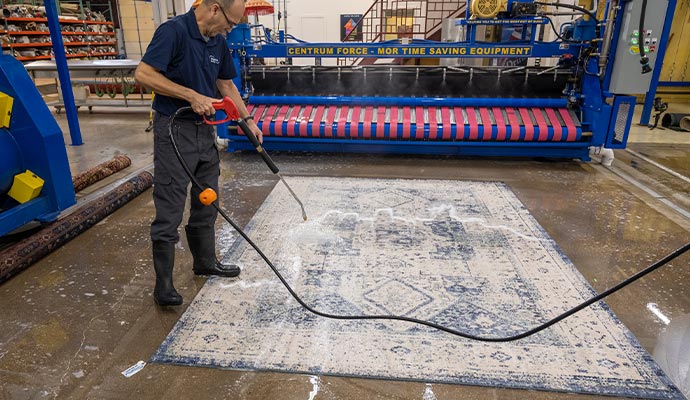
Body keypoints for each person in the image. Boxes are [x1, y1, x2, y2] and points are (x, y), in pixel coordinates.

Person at [134, 0, 263, 306]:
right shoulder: (173, 32)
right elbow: (143, 74)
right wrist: (190, 95)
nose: (230, 31)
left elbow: (226, 85)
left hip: (204, 130)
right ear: (215, 9)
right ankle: (163, 286)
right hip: (174, 129)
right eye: (231, 24)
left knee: (208, 197)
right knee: (170, 204)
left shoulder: (218, 42)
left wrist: (248, 122)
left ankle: (204, 261)